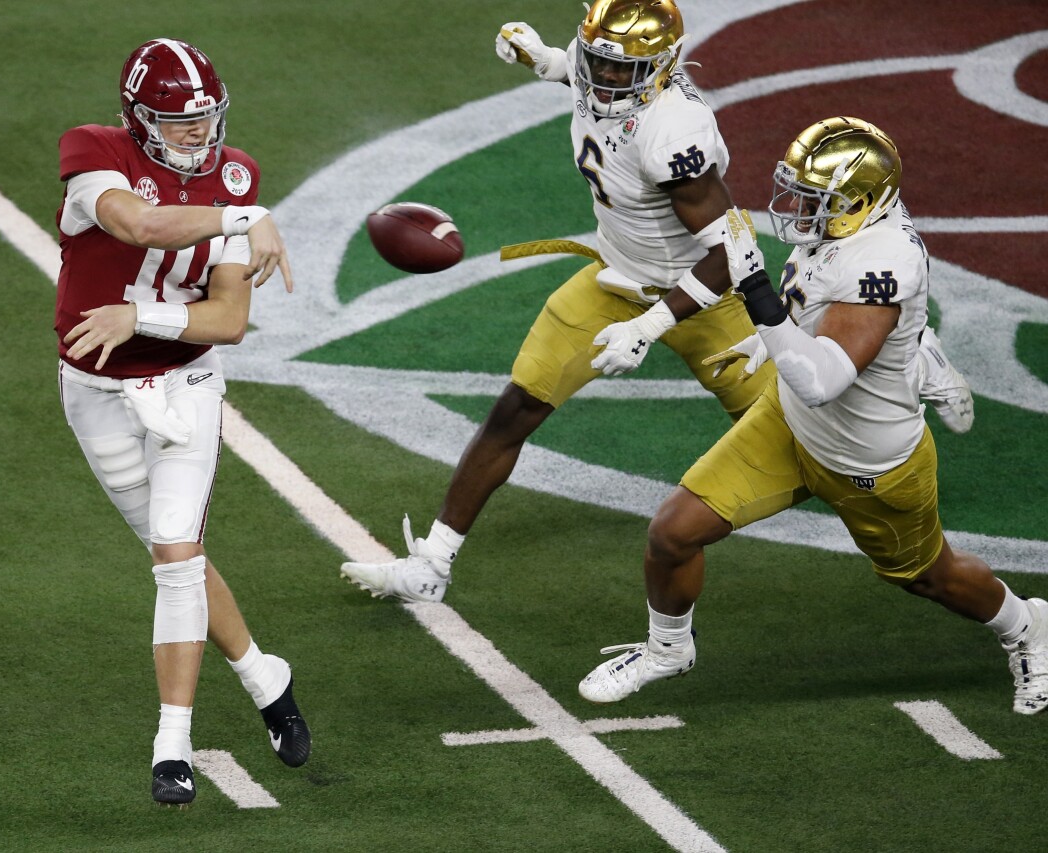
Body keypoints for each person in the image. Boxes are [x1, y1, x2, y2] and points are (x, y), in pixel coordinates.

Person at [339, 0, 971, 604]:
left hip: (707, 299)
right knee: (517, 407)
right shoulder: (603, 82)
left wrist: (653, 323)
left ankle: (911, 357)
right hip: (616, 279)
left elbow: (729, 250)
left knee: (810, 437)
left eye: (624, 68)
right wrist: (545, 60)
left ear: (663, 67)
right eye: (598, 60)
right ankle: (433, 563)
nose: (607, 78)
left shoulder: (674, 134)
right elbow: (593, 84)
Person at [577, 117, 1046, 716]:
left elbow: (822, 381)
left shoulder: (881, 265)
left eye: (816, 199)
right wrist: (774, 332)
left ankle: (1028, 625)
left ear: (862, 203)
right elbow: (811, 325)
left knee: (929, 576)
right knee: (673, 532)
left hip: (868, 461)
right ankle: (667, 651)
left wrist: (757, 297)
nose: (796, 208)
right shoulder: (846, 230)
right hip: (790, 422)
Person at [55, 37, 309, 808]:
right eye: (177, 121)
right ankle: (267, 676)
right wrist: (242, 215)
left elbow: (229, 319)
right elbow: (138, 225)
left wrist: (144, 314)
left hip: (184, 382)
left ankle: (173, 743)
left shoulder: (238, 176)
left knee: (174, 553)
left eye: (205, 118)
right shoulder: (92, 153)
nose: (197, 134)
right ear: (137, 119)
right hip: (94, 391)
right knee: (181, 558)